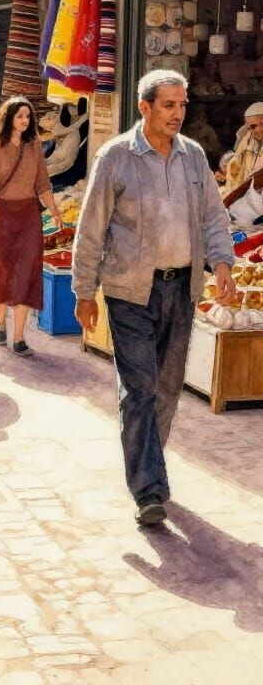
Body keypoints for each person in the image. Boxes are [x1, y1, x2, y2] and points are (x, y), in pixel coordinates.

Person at [73, 70, 236, 527]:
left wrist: (221, 263)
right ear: (144, 108)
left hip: (181, 290)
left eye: (182, 106)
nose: (178, 114)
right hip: (130, 291)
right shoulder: (115, 158)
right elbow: (91, 230)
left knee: (167, 389)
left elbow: (213, 217)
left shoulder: (193, 158)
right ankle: (149, 489)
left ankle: (149, 464)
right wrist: (84, 291)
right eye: (169, 105)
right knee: (141, 390)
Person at [0, 97, 62, 357]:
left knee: (27, 272)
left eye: (28, 116)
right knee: (4, 271)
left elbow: (43, 184)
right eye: (19, 116)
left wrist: (55, 210)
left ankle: (19, 338)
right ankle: (1, 320)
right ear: (8, 119)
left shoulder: (34, 147)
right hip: (2, 215)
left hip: (28, 216)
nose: (24, 121)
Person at [222, 101, 263, 195]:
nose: (254, 131)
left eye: (262, 124)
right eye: (250, 127)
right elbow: (236, 166)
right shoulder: (247, 139)